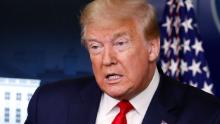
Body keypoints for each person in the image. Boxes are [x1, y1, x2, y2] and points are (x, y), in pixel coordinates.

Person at [25, 0, 220, 124]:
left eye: (120, 44)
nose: (107, 60)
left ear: (152, 47)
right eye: (95, 47)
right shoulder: (48, 105)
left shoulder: (206, 115)